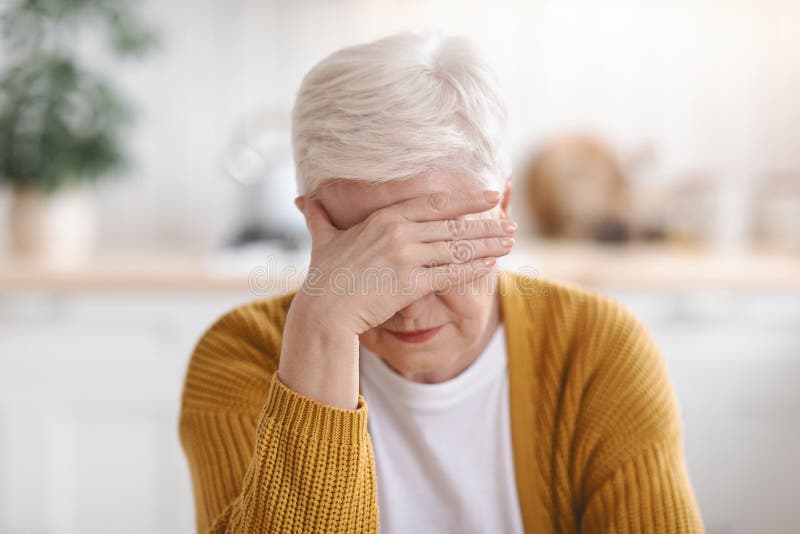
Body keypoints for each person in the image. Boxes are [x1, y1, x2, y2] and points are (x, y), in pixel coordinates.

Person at [179, 32, 703, 533]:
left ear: (502, 207)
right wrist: (321, 332)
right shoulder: (239, 357)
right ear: (312, 221)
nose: (408, 309)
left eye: (438, 246)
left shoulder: (598, 351)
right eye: (370, 257)